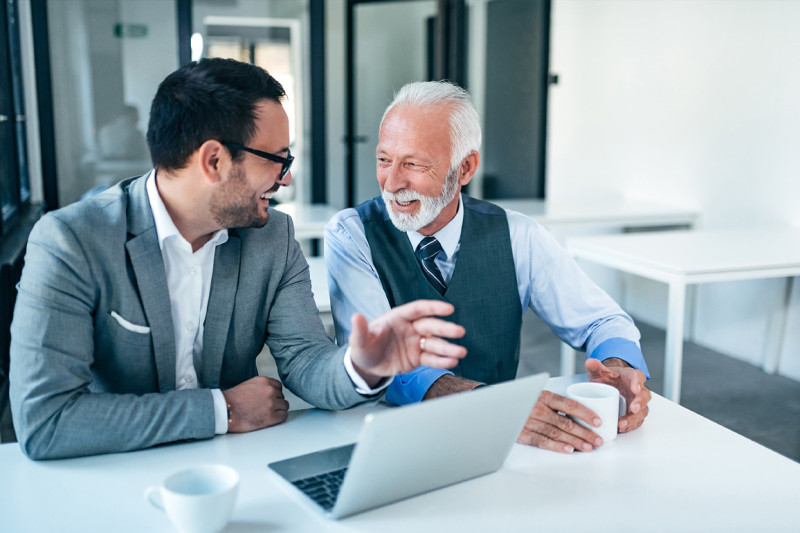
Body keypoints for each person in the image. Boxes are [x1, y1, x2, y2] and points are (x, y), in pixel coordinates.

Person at [9, 59, 467, 460]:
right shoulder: (71, 241)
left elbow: (305, 359)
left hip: (236, 471)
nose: (285, 180)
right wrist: (219, 410)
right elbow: (46, 418)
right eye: (278, 160)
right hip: (110, 476)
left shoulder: (272, 237)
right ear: (214, 161)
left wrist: (361, 366)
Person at [325, 81, 652, 454]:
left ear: (464, 168)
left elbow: (603, 320)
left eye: (413, 164)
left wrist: (618, 366)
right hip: (388, 439)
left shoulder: (518, 235)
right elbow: (376, 359)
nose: (393, 182)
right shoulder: (351, 234)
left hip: (498, 446)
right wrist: (494, 407)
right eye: (384, 160)